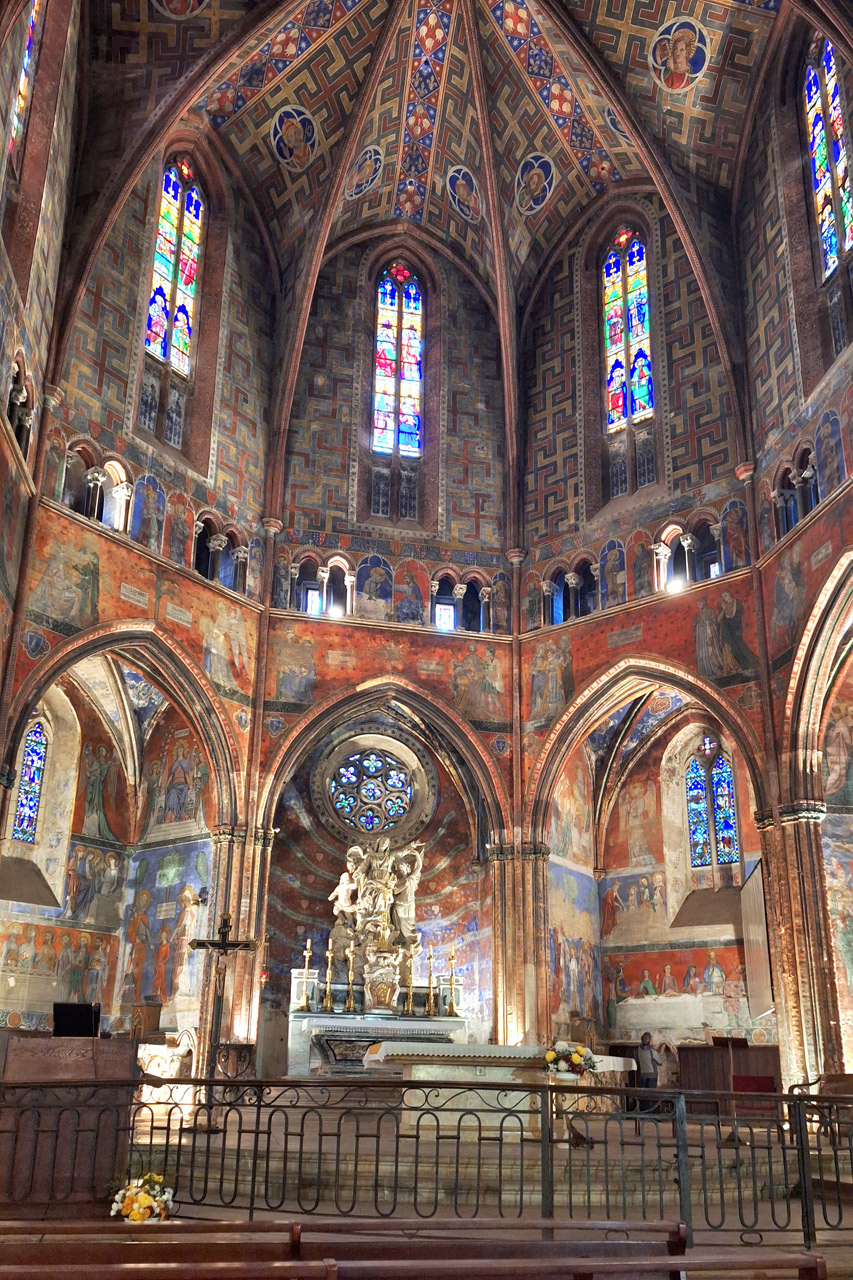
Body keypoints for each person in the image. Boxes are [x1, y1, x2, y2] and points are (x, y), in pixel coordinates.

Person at [637, 1032, 661, 1110]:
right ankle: (651, 1113)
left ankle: (644, 1112)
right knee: (651, 1095)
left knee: (644, 1095)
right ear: (650, 1041)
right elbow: (659, 1062)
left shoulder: (639, 1049)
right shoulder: (652, 1051)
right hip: (652, 1075)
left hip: (643, 1075)